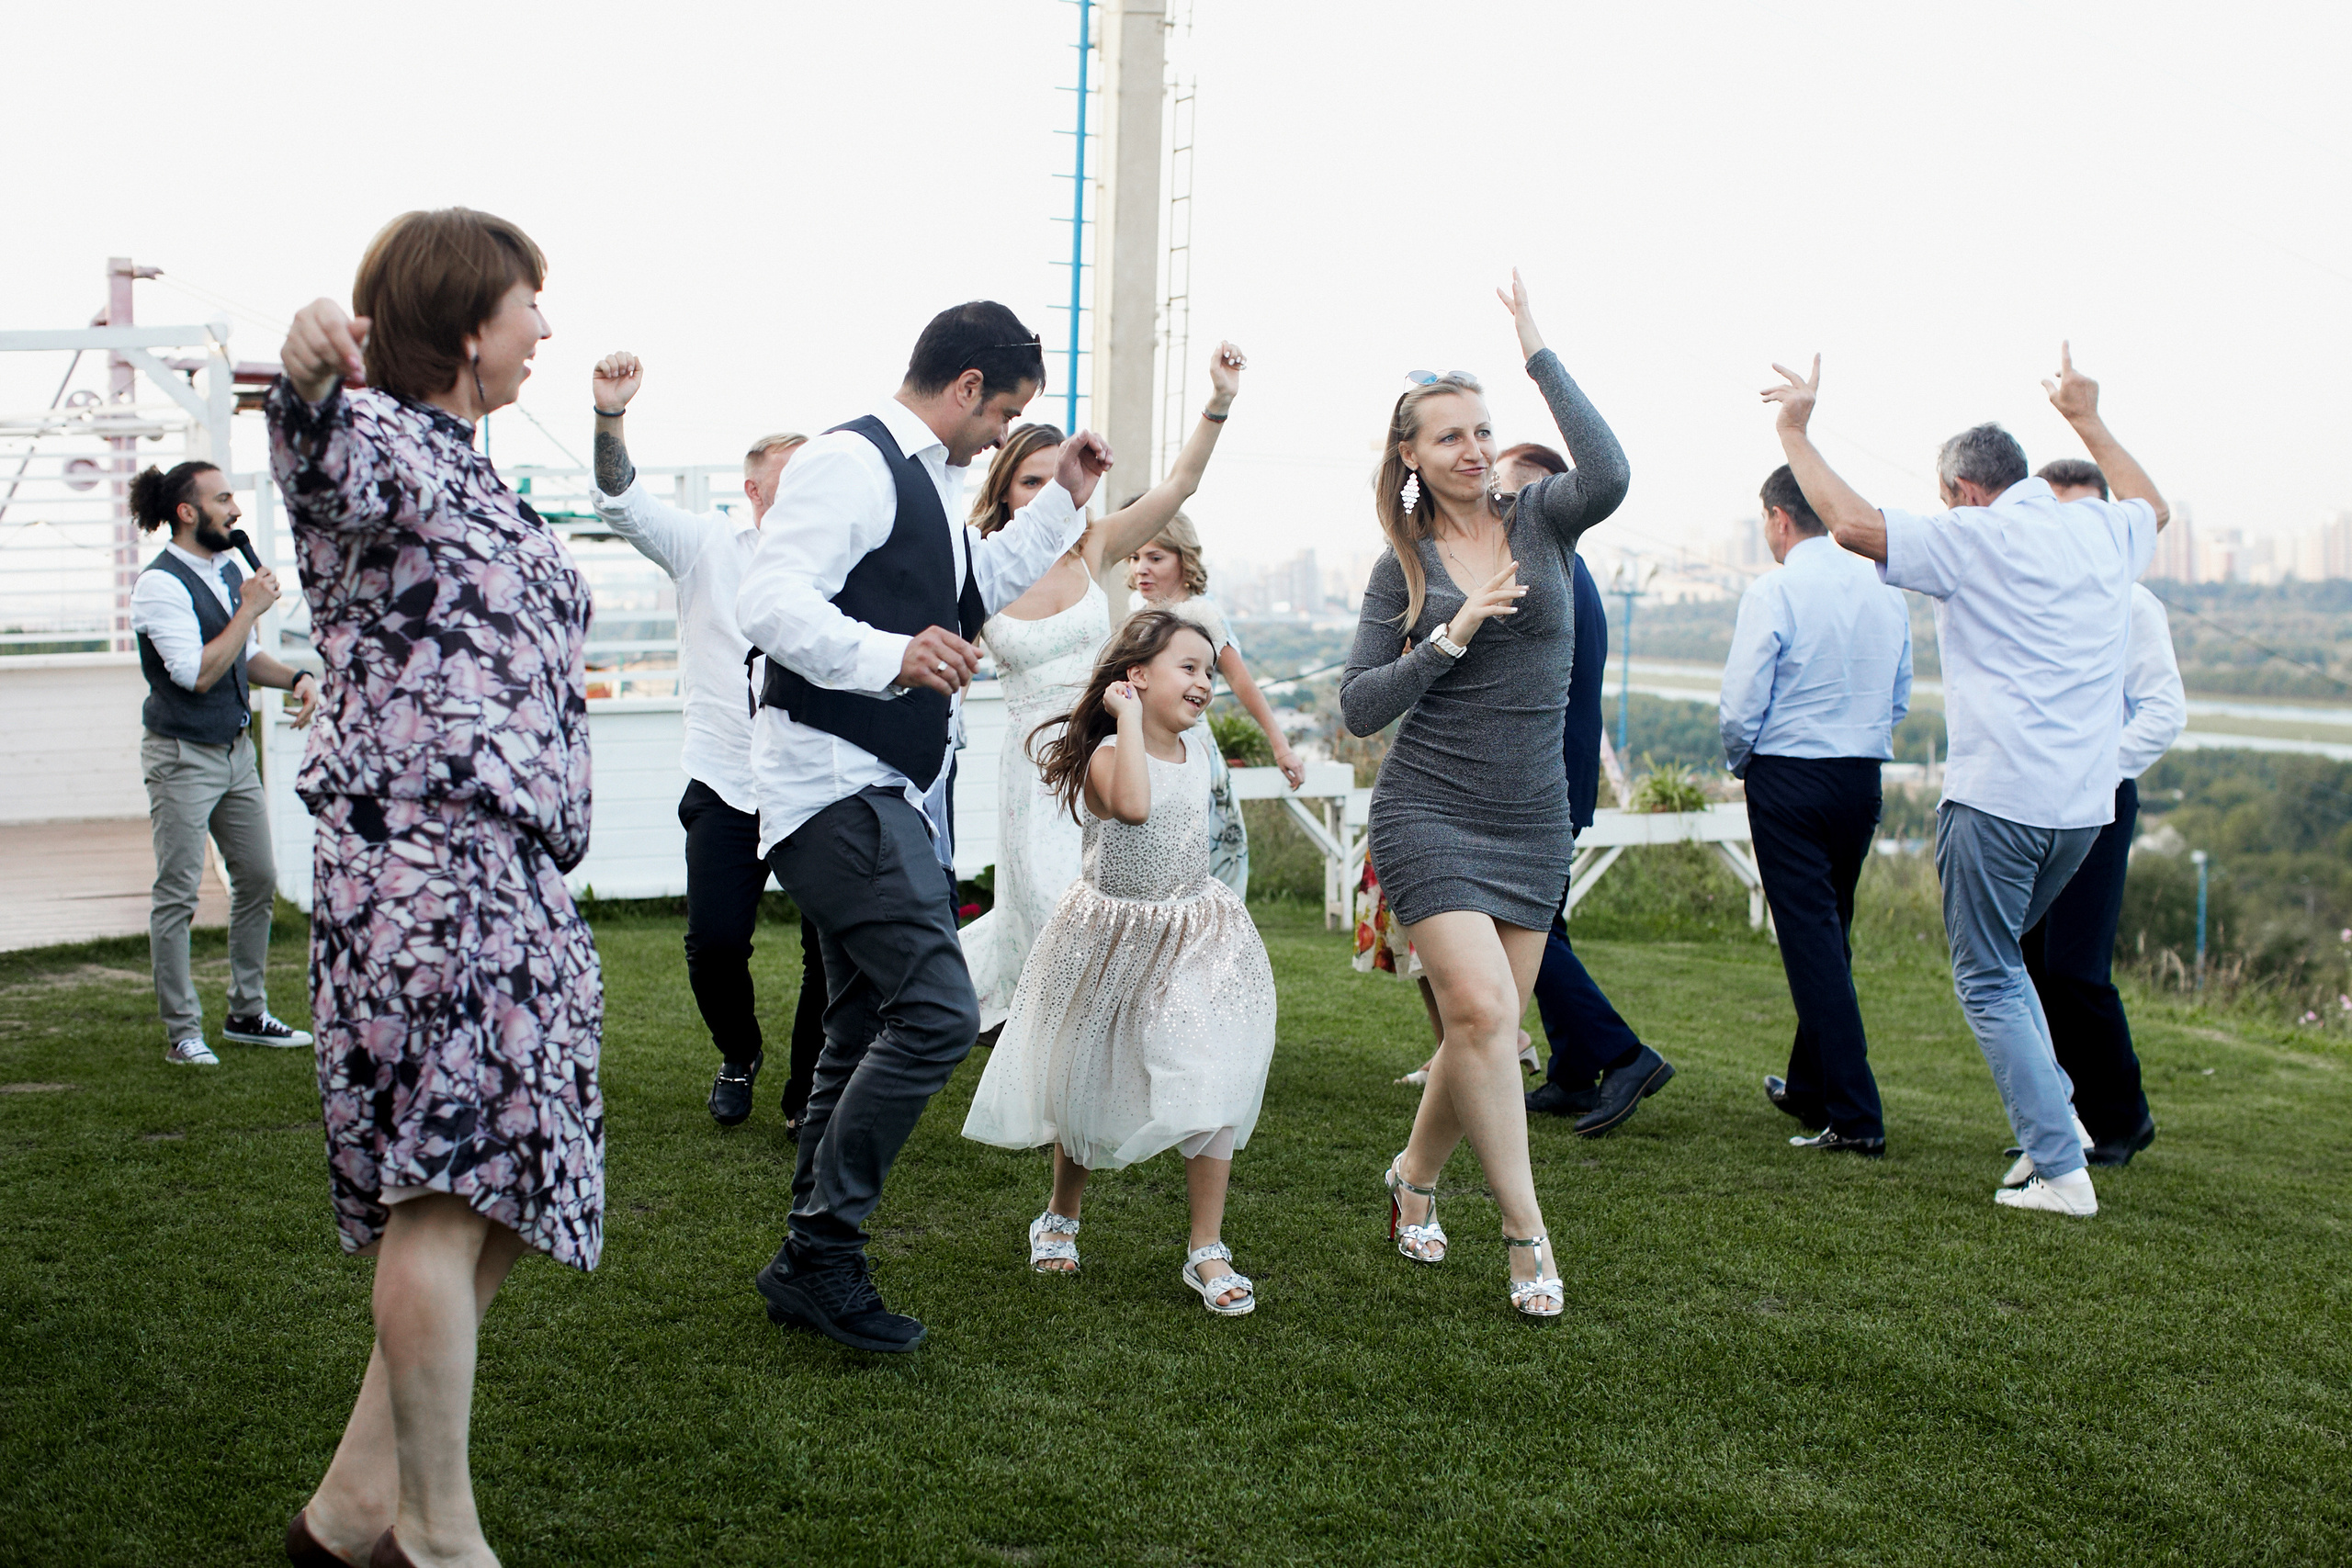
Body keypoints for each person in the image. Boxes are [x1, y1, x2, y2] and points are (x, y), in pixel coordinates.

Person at [270, 208, 603, 1568]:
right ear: (470, 322)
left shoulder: (472, 471)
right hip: (427, 862)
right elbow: (318, 462)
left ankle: (350, 1508)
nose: (545, 327)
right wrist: (304, 379)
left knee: (509, 1176)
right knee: (447, 1184)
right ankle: (439, 1532)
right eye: (531, 302)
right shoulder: (384, 444)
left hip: (509, 869)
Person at [736, 300, 1112, 1354]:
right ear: (964, 388)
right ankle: (821, 1250)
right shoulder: (847, 465)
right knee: (943, 1012)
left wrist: (1064, 504)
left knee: (858, 1030)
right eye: (1006, 414)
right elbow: (769, 601)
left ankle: (810, 1254)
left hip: (885, 792)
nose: (1005, 438)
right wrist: (886, 657)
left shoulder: (933, 487)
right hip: (832, 790)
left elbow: (971, 591)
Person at [1761, 344, 2167, 1218]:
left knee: (1987, 974)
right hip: (2084, 810)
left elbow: (1854, 526)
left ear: (1961, 491)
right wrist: (2087, 418)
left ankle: (2062, 1167)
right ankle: (2056, 1127)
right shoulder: (2097, 527)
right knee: (2011, 965)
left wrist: (1795, 429)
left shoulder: (1976, 537)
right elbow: (2153, 507)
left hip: (2000, 801)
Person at [1340, 270, 1628, 1317]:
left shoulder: (1543, 519)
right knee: (1481, 1011)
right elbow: (1360, 706)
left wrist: (1535, 348)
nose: (1469, 449)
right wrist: (1449, 638)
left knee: (1485, 1034)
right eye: (1446, 436)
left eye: (1479, 430)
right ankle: (1526, 1234)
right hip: (1429, 811)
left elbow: (1611, 467)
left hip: (1530, 815)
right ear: (1409, 455)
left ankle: (1412, 1178)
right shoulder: (1402, 568)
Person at [962, 611, 1278, 1314]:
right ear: (1135, 678)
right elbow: (1133, 806)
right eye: (1187, 668)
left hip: (1190, 932)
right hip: (1112, 936)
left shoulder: (1198, 752)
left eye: (1208, 670)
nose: (1204, 682)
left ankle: (1206, 1247)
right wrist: (1126, 720)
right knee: (1087, 1079)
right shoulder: (1111, 755)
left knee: (1210, 1066)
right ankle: (1060, 1215)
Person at [959, 340, 1251, 1035]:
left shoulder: (1092, 547)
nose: (1045, 496)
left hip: (1108, 749)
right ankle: (1049, 1047)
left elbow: (1178, 487)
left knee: (1115, 900)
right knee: (1050, 906)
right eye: (1030, 483)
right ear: (1004, 489)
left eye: (1053, 480)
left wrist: (1218, 401)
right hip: (1033, 769)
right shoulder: (976, 567)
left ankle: (1113, 1037)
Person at [584, 354, 828, 1133]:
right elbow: (621, 503)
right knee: (714, 944)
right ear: (753, 491)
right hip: (724, 780)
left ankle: (804, 1097)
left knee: (830, 952)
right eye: (795, 479)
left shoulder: (841, 561)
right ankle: (739, 1050)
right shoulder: (704, 546)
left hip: (817, 787)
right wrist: (610, 417)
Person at [1722, 465, 1914, 1157]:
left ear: (1778, 517)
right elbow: (1900, 693)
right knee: (1830, 932)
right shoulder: (1883, 588)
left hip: (1790, 776)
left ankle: (1857, 1115)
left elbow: (1744, 699)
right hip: (1859, 778)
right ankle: (1809, 1084)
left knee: (1811, 944)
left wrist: (1744, 761)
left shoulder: (1775, 589)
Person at [2011, 457, 2184, 1174]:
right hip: (2037, 800)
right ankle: (2064, 1118)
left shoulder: (2132, 604)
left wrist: (2095, 766)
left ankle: (2124, 1118)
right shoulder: (2042, 598)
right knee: (2029, 960)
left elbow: (2165, 713)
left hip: (2101, 802)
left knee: (2077, 969)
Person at [1498, 443, 1674, 1137]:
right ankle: (1574, 1071)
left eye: (1512, 493)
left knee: (1528, 925)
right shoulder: (1567, 568)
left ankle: (1625, 1054)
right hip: (1555, 773)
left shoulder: (1551, 572)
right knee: (1545, 921)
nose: (1500, 504)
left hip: (1541, 778)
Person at [127, 459, 320, 1066]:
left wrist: (296, 676)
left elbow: (244, 657)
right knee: (177, 894)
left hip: (236, 753)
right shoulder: (159, 584)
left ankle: (246, 1011)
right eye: (223, 499)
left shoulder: (226, 568)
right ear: (188, 513)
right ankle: (183, 1032)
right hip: (182, 755)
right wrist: (248, 609)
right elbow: (200, 673)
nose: (236, 510)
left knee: (259, 877)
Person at [1125, 513, 1305, 898]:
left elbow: (1240, 680)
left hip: (1190, 751)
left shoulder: (1201, 614)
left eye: (1155, 558)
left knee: (1201, 869)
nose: (1142, 569)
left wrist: (1281, 746)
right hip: (1139, 749)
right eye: (1135, 557)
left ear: (1183, 560)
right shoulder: (1135, 612)